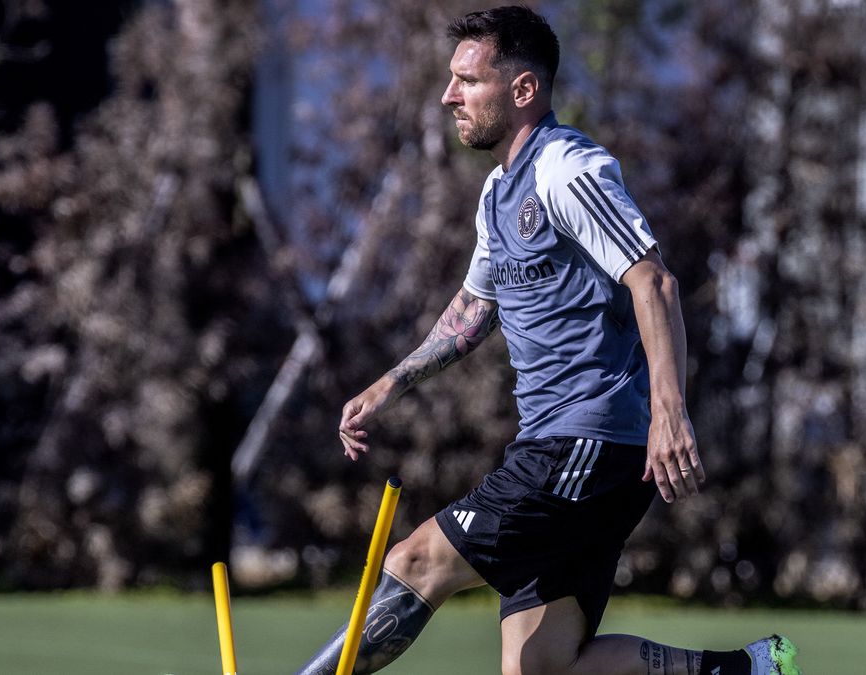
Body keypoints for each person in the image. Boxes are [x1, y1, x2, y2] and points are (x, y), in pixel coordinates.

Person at [294, 7, 800, 675]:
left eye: (468, 81)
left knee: (414, 560)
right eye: (451, 80)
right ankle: (750, 669)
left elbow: (655, 282)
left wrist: (670, 412)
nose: (450, 96)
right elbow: (475, 306)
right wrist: (391, 383)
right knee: (540, 668)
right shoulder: (498, 192)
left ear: (524, 89)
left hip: (584, 440)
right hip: (572, 451)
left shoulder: (567, 168)